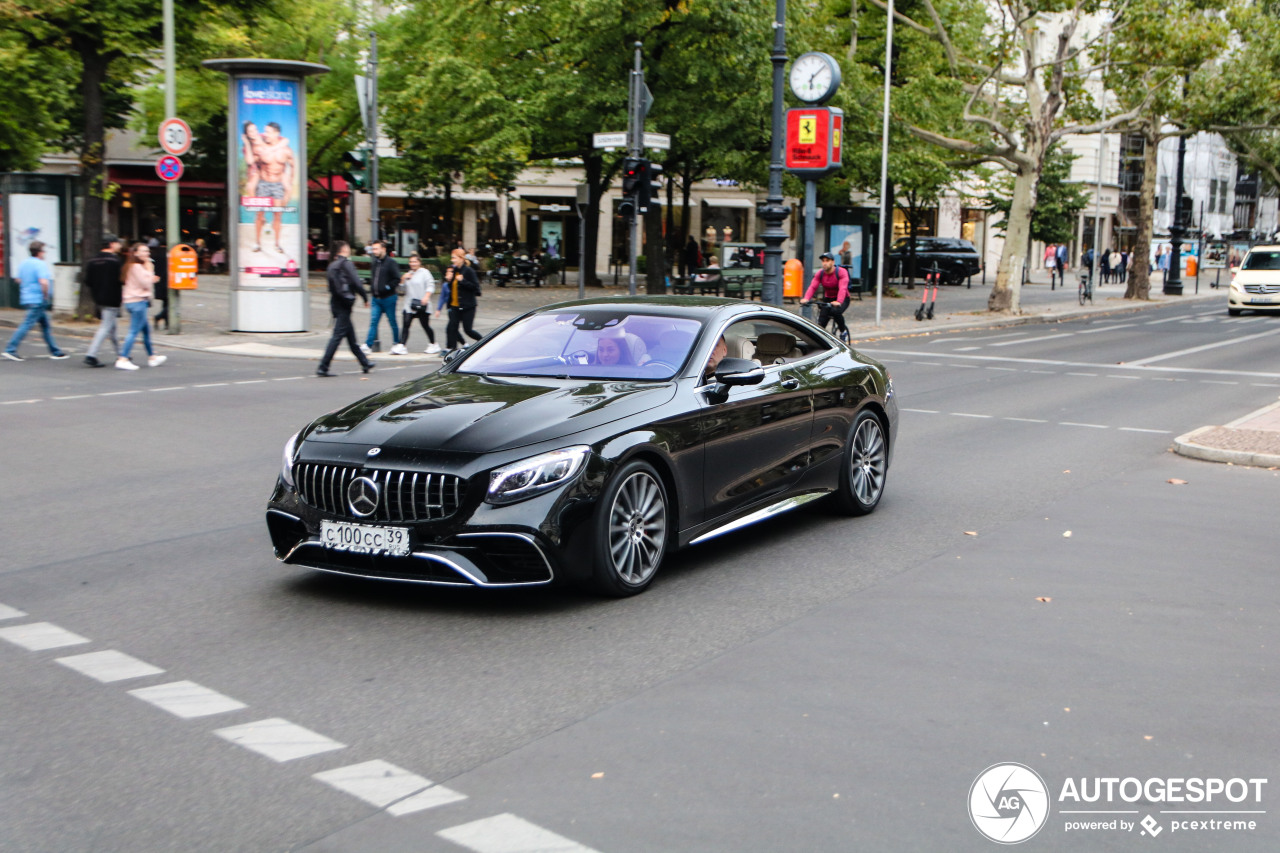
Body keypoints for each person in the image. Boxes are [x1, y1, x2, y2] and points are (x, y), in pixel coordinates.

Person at [3, 241, 68, 362]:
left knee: (45, 326)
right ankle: (10, 349)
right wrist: (45, 294)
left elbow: (18, 280)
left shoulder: (24, 264)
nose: (45, 253)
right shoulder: (40, 264)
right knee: (27, 324)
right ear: (39, 252)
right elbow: (44, 282)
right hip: (38, 299)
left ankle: (56, 351)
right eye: (43, 251)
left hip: (27, 297)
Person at [317, 241, 374, 377]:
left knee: (351, 337)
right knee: (337, 337)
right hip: (344, 304)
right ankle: (323, 367)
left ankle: (364, 362)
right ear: (344, 250)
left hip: (335, 304)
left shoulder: (332, 265)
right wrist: (365, 297)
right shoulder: (346, 264)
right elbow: (356, 282)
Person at [116, 242, 166, 370]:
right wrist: (150, 271)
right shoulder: (137, 267)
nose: (146, 254)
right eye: (143, 251)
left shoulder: (131, 266)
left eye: (148, 251)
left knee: (146, 331)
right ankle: (123, 358)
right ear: (136, 253)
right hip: (137, 301)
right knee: (133, 331)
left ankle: (152, 357)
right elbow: (145, 283)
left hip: (134, 301)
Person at [250, 122, 295, 256]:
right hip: (263, 183)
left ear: (276, 133)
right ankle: (258, 243)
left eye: (268, 132)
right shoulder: (261, 148)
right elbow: (253, 164)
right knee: (259, 214)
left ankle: (277, 244)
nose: (265, 134)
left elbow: (292, 165)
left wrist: (290, 181)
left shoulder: (286, 150)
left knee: (278, 215)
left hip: (278, 184)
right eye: (265, 131)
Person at [83, 235, 124, 367]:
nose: (120, 246)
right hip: (112, 296)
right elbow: (122, 279)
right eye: (118, 243)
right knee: (106, 326)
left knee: (111, 327)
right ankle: (91, 354)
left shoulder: (93, 260)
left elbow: (88, 280)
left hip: (98, 296)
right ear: (112, 244)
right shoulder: (115, 261)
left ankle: (122, 354)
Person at [436, 247, 483, 355]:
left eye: (454, 258)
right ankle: (452, 350)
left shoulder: (469, 271)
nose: (452, 260)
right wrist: (449, 281)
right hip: (454, 306)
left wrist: (463, 281)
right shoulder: (455, 271)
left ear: (461, 258)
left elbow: (477, 290)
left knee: (468, 330)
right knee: (452, 328)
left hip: (468, 306)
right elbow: (452, 288)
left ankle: (484, 343)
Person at [361, 240, 402, 353]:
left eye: (376, 249)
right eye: (373, 249)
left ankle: (396, 343)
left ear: (383, 249)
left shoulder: (391, 263)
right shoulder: (375, 263)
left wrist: (387, 287)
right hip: (376, 299)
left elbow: (396, 279)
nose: (374, 251)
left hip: (389, 298)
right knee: (373, 321)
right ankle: (368, 345)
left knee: (392, 321)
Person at [800, 252, 851, 339]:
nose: (824, 263)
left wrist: (839, 301)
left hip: (843, 298)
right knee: (821, 321)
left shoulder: (841, 272)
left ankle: (843, 332)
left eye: (827, 261)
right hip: (828, 298)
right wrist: (806, 298)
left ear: (833, 262)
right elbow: (812, 287)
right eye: (823, 261)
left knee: (836, 312)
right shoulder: (820, 273)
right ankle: (820, 339)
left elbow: (843, 288)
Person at [398, 253, 439, 354]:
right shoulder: (408, 274)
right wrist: (403, 279)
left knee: (425, 325)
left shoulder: (425, 273)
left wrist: (426, 296)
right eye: (411, 262)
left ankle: (433, 344)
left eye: (415, 261)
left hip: (421, 304)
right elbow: (402, 290)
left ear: (419, 262)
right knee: (406, 324)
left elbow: (430, 285)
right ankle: (402, 345)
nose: (413, 264)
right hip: (409, 304)